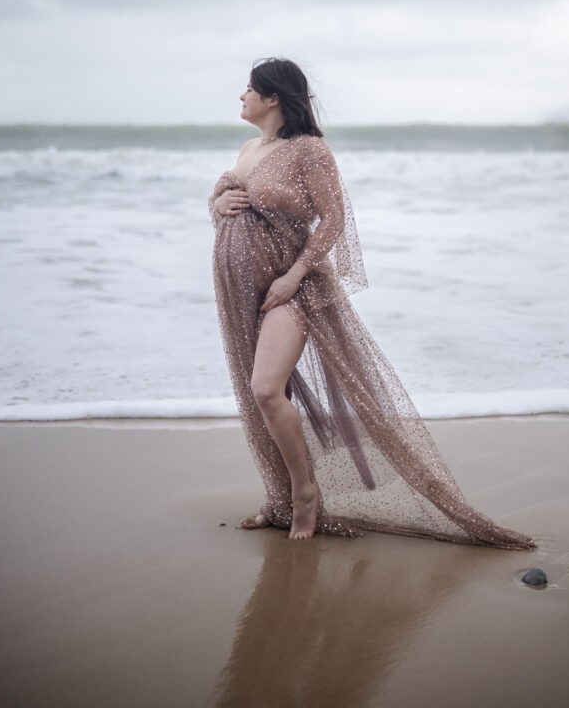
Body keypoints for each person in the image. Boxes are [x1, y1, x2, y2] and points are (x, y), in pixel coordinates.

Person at [208, 57, 536, 548]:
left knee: (265, 390)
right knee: (268, 400)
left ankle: (304, 493)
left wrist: (293, 277)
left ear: (274, 97)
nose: (241, 96)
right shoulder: (249, 147)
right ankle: (278, 499)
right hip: (240, 293)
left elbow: (334, 222)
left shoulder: (311, 150)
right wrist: (217, 204)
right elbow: (228, 209)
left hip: (293, 290)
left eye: (249, 89)